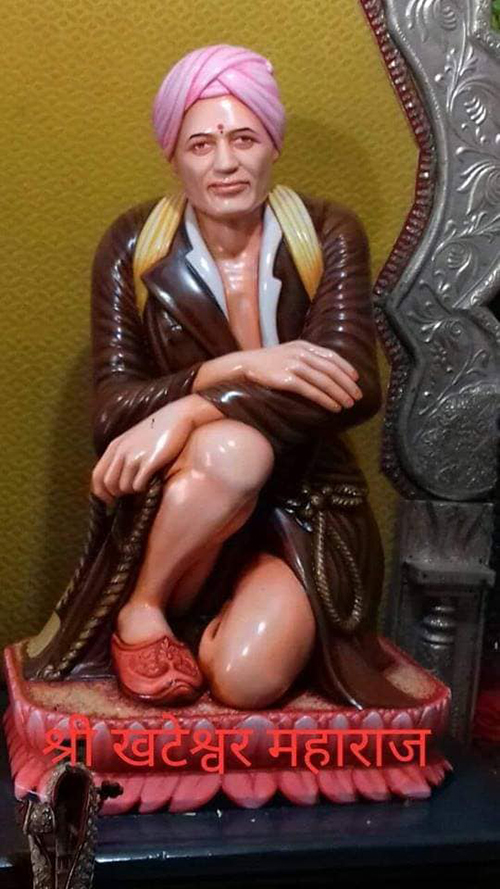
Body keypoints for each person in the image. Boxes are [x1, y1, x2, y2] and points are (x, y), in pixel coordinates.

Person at [24, 45, 416, 712]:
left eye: (244, 139)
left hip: (303, 506)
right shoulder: (134, 245)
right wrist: (236, 366)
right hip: (182, 506)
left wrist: (188, 407)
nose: (225, 162)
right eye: (201, 144)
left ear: (273, 144)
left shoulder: (325, 233)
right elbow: (113, 412)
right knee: (234, 449)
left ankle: (218, 628)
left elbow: (349, 384)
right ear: (173, 155)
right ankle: (144, 609)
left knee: (246, 680)